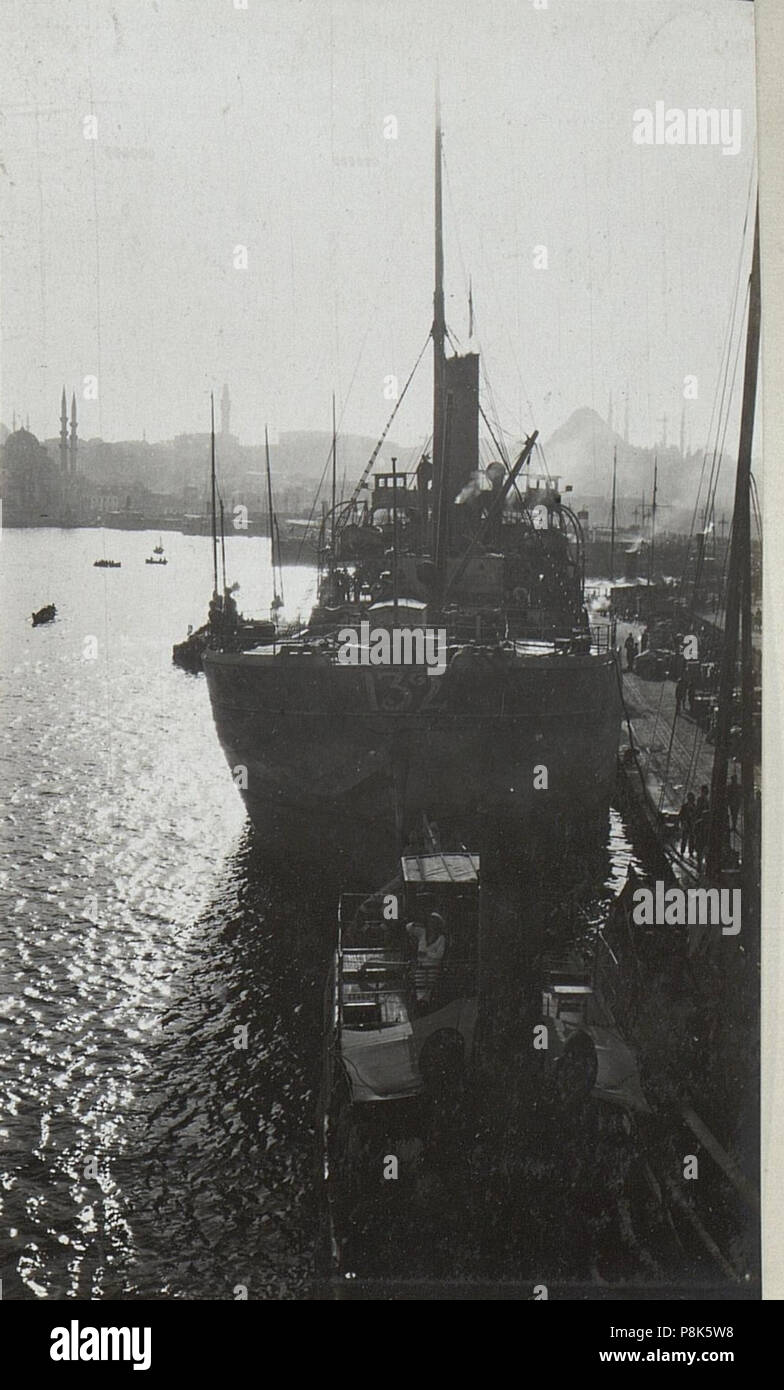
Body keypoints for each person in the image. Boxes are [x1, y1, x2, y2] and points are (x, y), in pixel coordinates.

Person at [405, 912, 447, 1003]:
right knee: (419, 985)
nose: (431, 925)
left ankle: (426, 1004)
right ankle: (420, 1003)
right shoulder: (422, 932)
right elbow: (408, 928)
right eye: (430, 922)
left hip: (432, 967)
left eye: (434, 923)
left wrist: (426, 954)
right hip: (420, 966)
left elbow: (439, 955)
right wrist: (416, 924)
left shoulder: (441, 938)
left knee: (429, 987)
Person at [694, 784, 710, 871]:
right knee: (700, 850)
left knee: (702, 850)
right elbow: (698, 810)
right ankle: (700, 865)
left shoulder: (706, 800)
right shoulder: (701, 800)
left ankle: (702, 865)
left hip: (703, 829)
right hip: (701, 827)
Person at [679, 792, 697, 857]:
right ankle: (682, 851)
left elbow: (696, 816)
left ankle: (691, 852)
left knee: (691, 839)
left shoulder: (695, 807)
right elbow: (680, 815)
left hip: (692, 825)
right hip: (686, 824)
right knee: (684, 839)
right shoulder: (684, 806)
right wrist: (683, 822)